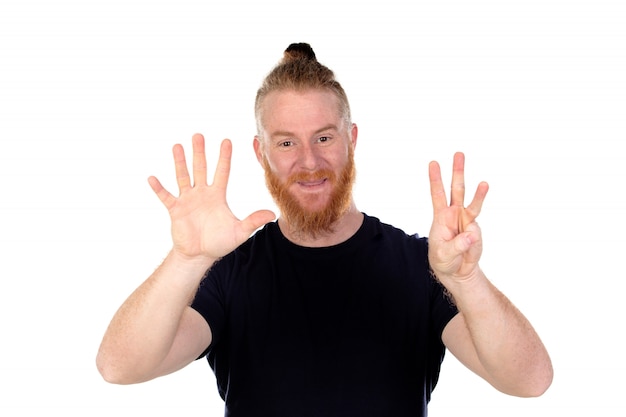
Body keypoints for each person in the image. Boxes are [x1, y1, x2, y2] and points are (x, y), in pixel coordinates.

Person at [96, 43, 553, 416]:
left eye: (325, 137)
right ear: (261, 153)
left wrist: (465, 280)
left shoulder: (423, 266)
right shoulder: (229, 272)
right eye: (287, 142)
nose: (309, 162)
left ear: (352, 140)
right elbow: (119, 367)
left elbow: (530, 381)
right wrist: (188, 259)